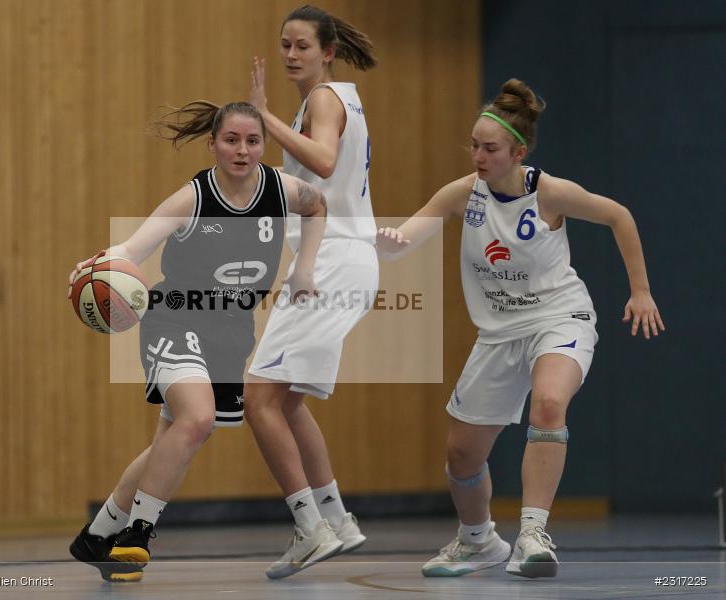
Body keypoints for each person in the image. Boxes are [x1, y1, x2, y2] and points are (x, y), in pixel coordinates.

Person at [378, 79, 665, 579]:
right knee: (461, 454)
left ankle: (533, 534)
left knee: (550, 402)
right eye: (473, 146)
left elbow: (619, 216)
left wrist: (640, 290)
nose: (478, 156)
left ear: (518, 151)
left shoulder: (549, 192)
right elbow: (408, 235)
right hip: (498, 334)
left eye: (489, 148)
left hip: (559, 318)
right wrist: (389, 241)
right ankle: (477, 541)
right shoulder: (462, 193)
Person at [66, 101, 327, 582]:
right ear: (212, 145)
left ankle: (98, 535)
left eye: (252, 140)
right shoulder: (192, 198)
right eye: (231, 140)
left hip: (231, 332)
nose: (242, 150)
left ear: (262, 146)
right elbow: (132, 250)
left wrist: (304, 267)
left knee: (175, 438)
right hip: (174, 318)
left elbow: (318, 207)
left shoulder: (282, 189)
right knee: (198, 417)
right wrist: (94, 267)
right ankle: (137, 535)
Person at [243, 4, 379, 579]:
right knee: (286, 401)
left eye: (302, 45)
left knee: (257, 399)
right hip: (337, 257)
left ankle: (309, 527)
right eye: (284, 45)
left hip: (332, 260)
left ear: (327, 52)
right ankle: (337, 519)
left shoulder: (325, 100)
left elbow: (322, 159)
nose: (290, 54)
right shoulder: (328, 100)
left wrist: (263, 119)